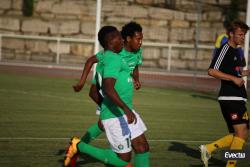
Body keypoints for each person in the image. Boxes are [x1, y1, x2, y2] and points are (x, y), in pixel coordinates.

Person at [65, 25, 149, 167]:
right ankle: (80, 146)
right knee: (122, 158)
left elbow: (134, 68)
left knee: (142, 147)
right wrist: (82, 83)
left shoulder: (124, 55)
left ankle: (84, 147)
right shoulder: (110, 57)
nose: (121, 39)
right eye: (119, 37)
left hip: (125, 108)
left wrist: (135, 80)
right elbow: (101, 87)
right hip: (116, 109)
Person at [200, 20, 250, 167]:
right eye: (240, 34)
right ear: (231, 34)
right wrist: (233, 78)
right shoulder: (225, 49)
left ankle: (208, 149)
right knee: (242, 134)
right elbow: (211, 70)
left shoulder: (237, 51)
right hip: (230, 97)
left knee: (241, 134)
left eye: (244, 35)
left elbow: (238, 72)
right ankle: (230, 165)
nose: (243, 38)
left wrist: (244, 73)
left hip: (238, 97)